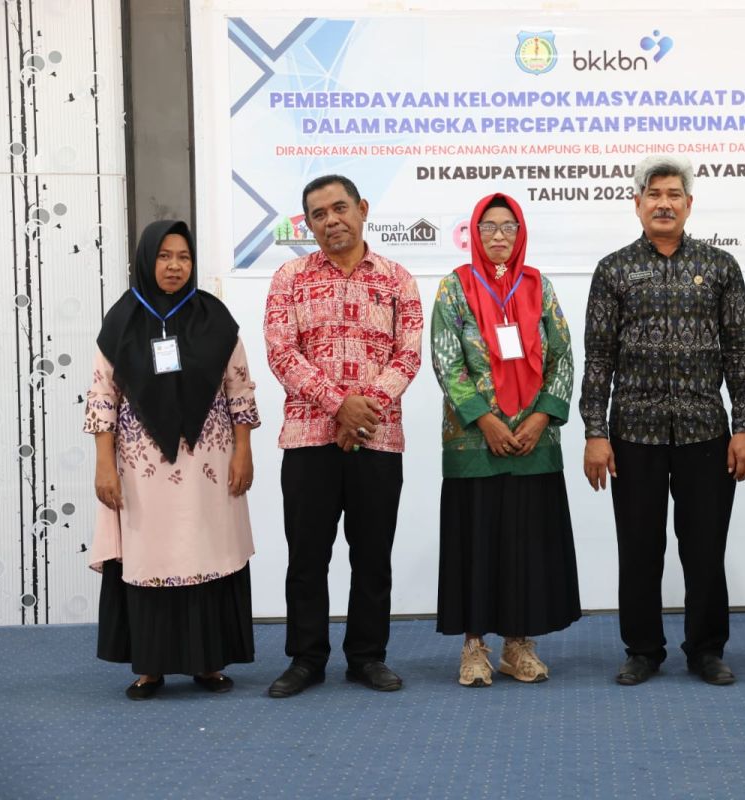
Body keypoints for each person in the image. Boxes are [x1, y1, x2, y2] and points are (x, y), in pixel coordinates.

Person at [580, 155, 745, 687]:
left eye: (673, 194)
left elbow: (739, 356)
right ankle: (643, 649)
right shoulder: (614, 269)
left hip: (707, 431)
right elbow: (598, 360)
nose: (663, 202)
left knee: (705, 548)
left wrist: (744, 426)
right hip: (634, 433)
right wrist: (595, 432)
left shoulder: (721, 266)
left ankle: (707, 649)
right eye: (653, 193)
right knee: (639, 547)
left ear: (688, 203)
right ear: (637, 204)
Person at [263, 174, 423, 697]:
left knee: (372, 554)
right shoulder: (289, 277)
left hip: (377, 438)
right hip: (309, 439)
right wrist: (339, 405)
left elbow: (409, 355)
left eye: (339, 208)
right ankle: (306, 659)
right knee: (307, 556)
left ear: (362, 208)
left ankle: (367, 657)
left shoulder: (399, 279)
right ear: (307, 224)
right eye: (318, 214)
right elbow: (282, 354)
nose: (330, 221)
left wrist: (363, 412)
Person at [86, 219, 259, 700]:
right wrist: (104, 465)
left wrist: (243, 452)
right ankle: (150, 666)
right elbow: (102, 400)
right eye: (164, 256)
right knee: (150, 556)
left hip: (210, 468)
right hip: (143, 472)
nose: (175, 266)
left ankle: (208, 662)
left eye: (183, 256)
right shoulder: (121, 321)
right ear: (146, 260)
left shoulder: (216, 319)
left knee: (206, 551)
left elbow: (240, 391)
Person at [430, 193, 581, 687]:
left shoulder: (539, 286)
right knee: (476, 540)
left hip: (534, 443)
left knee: (525, 543)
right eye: (489, 227)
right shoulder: (455, 288)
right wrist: (486, 421)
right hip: (475, 446)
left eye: (508, 227)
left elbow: (562, 357)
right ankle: (474, 648)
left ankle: (518, 645)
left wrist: (540, 419)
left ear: (520, 234)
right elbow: (447, 362)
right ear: (474, 233)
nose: (498, 236)